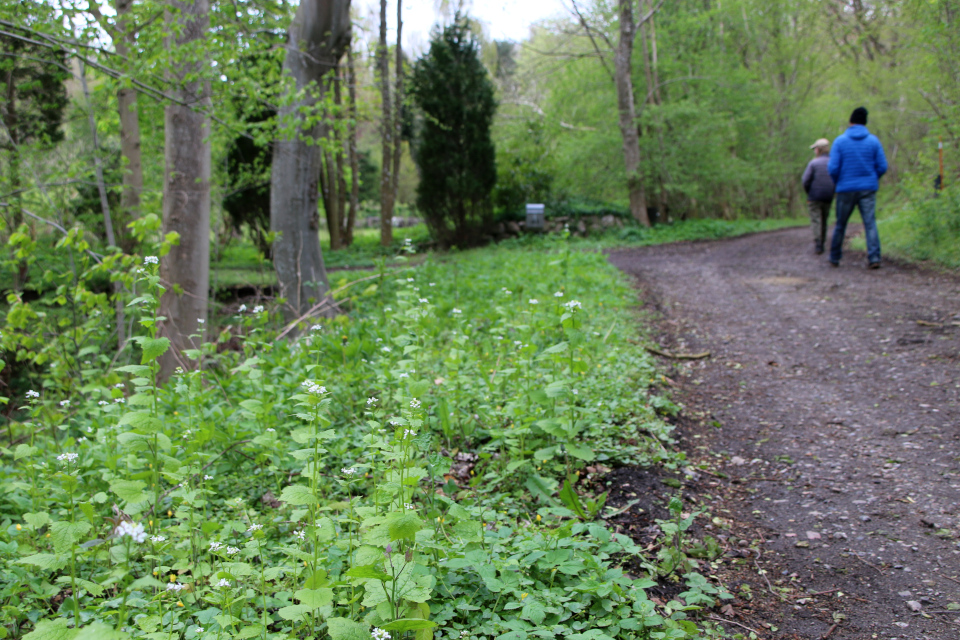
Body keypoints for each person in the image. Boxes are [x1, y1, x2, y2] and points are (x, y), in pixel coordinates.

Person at [827, 106, 888, 269]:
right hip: (868, 189)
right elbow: (882, 166)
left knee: (841, 224)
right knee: (869, 223)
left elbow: (832, 168)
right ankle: (874, 257)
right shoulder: (873, 141)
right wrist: (872, 178)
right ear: (865, 123)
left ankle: (834, 257)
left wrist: (838, 181)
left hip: (845, 188)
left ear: (850, 121)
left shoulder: (840, 141)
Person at [802, 138, 835, 254]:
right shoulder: (833, 162)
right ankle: (823, 241)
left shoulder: (813, 163)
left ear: (818, 150)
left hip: (814, 196)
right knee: (824, 219)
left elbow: (805, 180)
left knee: (816, 219)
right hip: (828, 195)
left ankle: (818, 243)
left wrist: (809, 192)